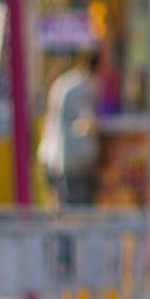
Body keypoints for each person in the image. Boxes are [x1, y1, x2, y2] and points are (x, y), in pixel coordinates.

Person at [39, 51, 101, 207]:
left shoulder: (66, 81)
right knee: (76, 211)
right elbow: (86, 122)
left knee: (63, 209)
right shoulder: (82, 86)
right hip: (73, 158)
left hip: (54, 156)